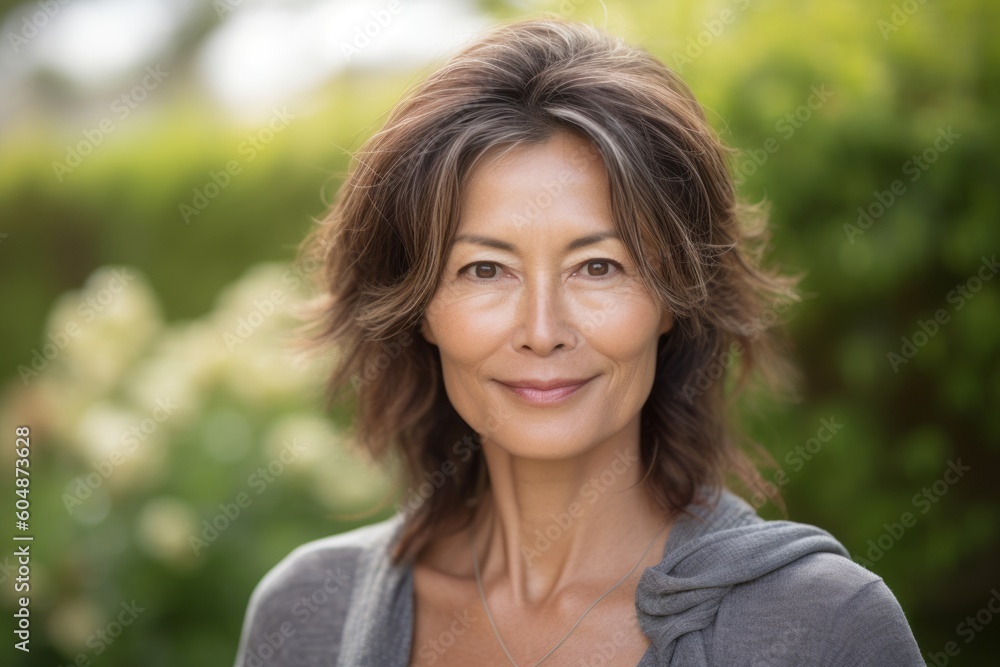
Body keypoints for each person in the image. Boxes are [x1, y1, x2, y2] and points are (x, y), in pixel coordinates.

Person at [232, 17, 923, 666]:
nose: (542, 331)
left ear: (671, 296)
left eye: (598, 266)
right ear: (419, 307)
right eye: (485, 269)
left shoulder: (826, 627)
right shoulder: (305, 616)